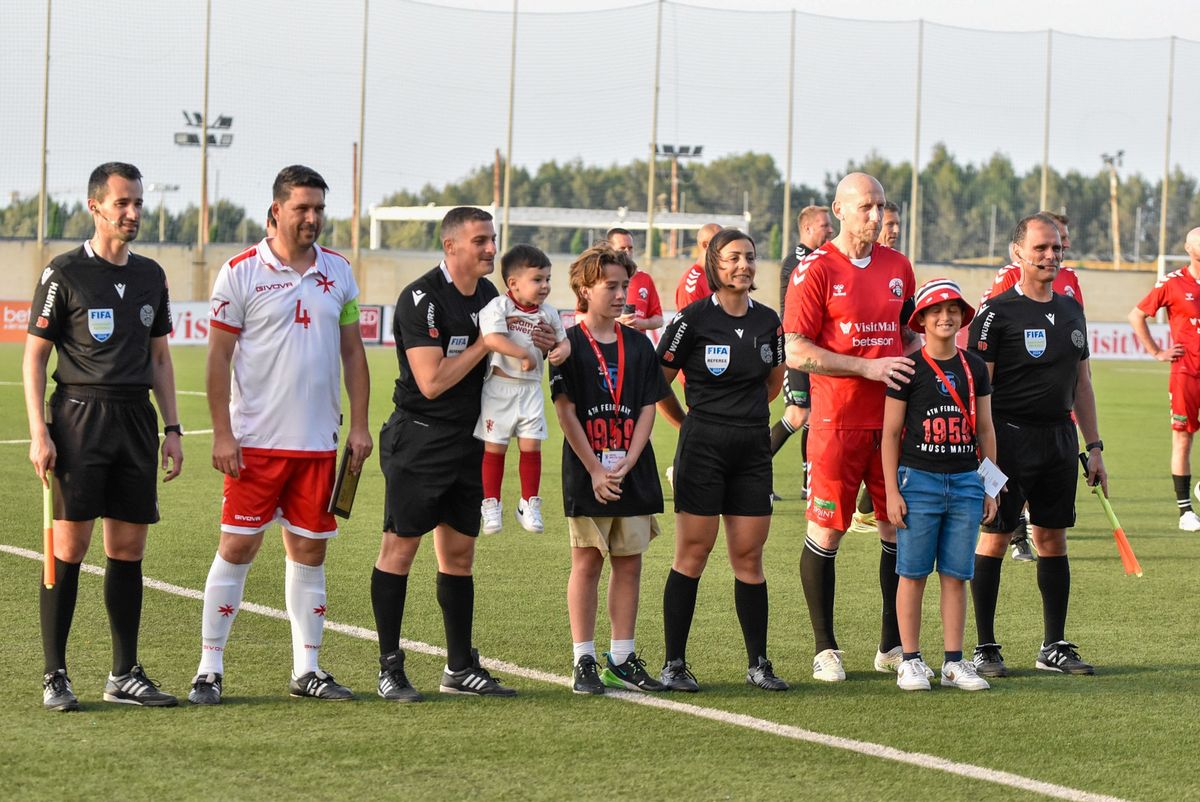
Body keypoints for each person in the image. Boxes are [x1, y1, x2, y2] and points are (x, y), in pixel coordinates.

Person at [190, 165, 370, 705]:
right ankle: (209, 669)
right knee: (238, 547)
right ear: (276, 211)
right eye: (302, 208)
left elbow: (353, 353)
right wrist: (223, 433)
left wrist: (359, 425)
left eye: (318, 208)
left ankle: (308, 670)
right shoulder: (241, 271)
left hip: (317, 445)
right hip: (256, 443)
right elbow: (218, 358)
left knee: (310, 553)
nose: (313, 218)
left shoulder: (338, 271)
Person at [371, 207, 553, 701]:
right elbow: (431, 383)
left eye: (492, 239)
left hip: (471, 440)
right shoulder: (422, 298)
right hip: (420, 437)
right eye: (480, 240)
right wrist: (484, 342)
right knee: (400, 548)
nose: (491, 248)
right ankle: (389, 665)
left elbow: (511, 360)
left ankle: (458, 667)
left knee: (459, 555)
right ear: (451, 246)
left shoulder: (493, 295)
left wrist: (540, 344)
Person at [25, 161, 182, 711]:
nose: (133, 213)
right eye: (123, 203)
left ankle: (124, 674)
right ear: (96, 206)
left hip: (134, 419)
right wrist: (38, 433)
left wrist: (173, 427)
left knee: (128, 548)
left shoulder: (151, 276)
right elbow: (34, 356)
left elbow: (160, 357)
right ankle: (55, 674)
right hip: (77, 419)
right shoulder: (63, 272)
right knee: (69, 546)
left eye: (138, 202)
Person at [783, 172, 917, 682]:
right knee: (828, 531)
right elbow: (796, 348)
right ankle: (825, 648)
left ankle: (892, 645)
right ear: (838, 210)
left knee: (896, 528)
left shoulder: (898, 266)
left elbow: (908, 331)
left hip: (891, 423)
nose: (876, 216)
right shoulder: (814, 270)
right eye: (866, 206)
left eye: (881, 206)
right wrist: (867, 367)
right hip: (837, 422)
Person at [967, 212, 1107, 677]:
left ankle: (1054, 646)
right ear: (1018, 254)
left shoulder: (1071, 309)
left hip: (1060, 441)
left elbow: (1082, 384)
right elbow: (979, 391)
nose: (1051, 256)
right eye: (1041, 248)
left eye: (1057, 249)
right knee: (994, 538)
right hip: (1006, 439)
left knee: (1052, 537)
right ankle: (985, 646)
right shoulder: (995, 314)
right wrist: (983, 460)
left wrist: (1095, 446)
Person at [655, 227, 789, 693]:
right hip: (703, 445)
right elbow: (658, 382)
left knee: (749, 558)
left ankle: (758, 663)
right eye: (732, 258)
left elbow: (774, 382)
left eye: (749, 258)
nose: (743, 266)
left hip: (752, 447)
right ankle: (674, 664)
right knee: (692, 554)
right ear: (714, 263)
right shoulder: (692, 320)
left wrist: (743, 416)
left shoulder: (769, 321)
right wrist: (687, 425)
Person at [550, 244, 669, 694]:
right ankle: (582, 658)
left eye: (626, 285)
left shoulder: (638, 344)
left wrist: (632, 460)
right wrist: (596, 471)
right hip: (588, 471)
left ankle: (621, 658)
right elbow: (566, 413)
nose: (623, 295)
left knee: (630, 562)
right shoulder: (569, 346)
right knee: (586, 562)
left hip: (630, 469)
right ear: (584, 289)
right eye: (612, 287)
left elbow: (646, 408)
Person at [883, 279, 997, 692]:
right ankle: (910, 660)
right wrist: (892, 492)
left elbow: (985, 429)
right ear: (923, 321)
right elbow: (890, 434)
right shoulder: (906, 369)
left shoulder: (974, 368)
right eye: (936, 312)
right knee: (912, 574)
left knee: (955, 575)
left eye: (952, 311)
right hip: (918, 483)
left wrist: (989, 487)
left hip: (967, 482)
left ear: (962, 317)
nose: (945, 317)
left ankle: (954, 661)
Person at [476, 244, 570, 534]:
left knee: (531, 446)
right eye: (537, 280)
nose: (545, 286)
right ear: (513, 283)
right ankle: (491, 504)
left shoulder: (549, 313)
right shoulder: (497, 307)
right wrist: (524, 354)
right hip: (499, 389)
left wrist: (561, 351)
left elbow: (563, 341)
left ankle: (528, 503)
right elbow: (492, 339)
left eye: (547, 279)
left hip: (530, 391)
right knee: (495, 449)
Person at [1128, 226, 1200, 530]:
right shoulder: (1172, 283)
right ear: (1187, 248)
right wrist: (1157, 351)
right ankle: (1185, 511)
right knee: (1183, 439)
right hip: (1186, 372)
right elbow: (1136, 315)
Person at [848, 200, 905, 533]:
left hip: (889, 396)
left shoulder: (899, 267)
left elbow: (909, 328)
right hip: (845, 402)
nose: (892, 229)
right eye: (889, 223)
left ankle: (867, 509)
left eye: (896, 223)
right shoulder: (830, 266)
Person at [769, 206, 834, 500]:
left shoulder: (820, 258)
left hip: (816, 351)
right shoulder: (800, 261)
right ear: (808, 229)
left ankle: (809, 484)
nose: (830, 230)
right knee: (798, 414)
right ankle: (753, 473)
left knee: (812, 417)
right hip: (796, 349)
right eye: (824, 226)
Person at [607, 227, 663, 332]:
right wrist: (616, 322)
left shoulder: (645, 278)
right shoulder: (598, 278)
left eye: (630, 248)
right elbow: (580, 317)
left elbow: (659, 320)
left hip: (636, 346)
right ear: (610, 249)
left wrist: (639, 323)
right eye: (622, 248)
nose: (627, 252)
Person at [674, 222, 723, 312]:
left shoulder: (721, 279)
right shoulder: (692, 284)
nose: (727, 248)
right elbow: (689, 324)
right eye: (722, 243)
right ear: (706, 245)